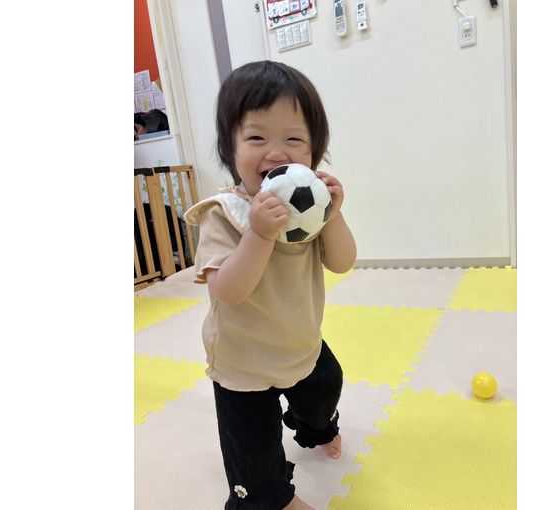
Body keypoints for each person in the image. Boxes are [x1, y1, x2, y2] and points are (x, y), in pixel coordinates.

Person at [184, 60, 356, 510]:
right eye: (257, 138)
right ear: (231, 147)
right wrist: (258, 235)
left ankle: (316, 428)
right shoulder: (224, 213)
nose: (277, 153)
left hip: (300, 344)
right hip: (243, 365)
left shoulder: (311, 210)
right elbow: (228, 290)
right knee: (253, 453)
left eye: (294, 139)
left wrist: (334, 216)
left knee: (325, 388)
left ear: (314, 151)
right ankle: (272, 498)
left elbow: (342, 263)